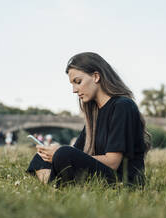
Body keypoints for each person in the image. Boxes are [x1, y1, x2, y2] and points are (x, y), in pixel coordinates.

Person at [26, 52, 151, 186]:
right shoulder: (94, 114)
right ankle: (58, 185)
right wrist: (53, 152)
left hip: (123, 181)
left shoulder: (122, 106)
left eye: (78, 82)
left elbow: (113, 162)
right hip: (100, 175)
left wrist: (60, 153)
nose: (74, 90)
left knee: (63, 154)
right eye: (72, 84)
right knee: (42, 157)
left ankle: (55, 185)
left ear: (96, 76)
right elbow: (77, 153)